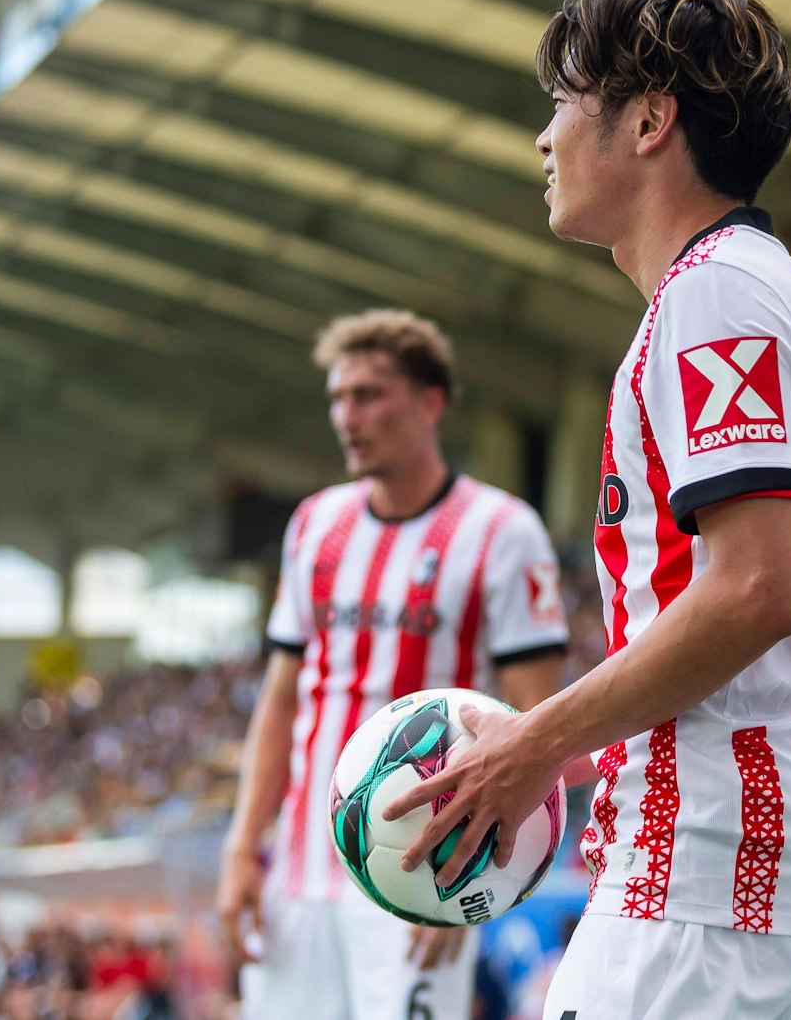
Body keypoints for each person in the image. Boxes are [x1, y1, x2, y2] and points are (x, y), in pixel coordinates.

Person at [381, 0, 791, 1019]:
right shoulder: (745, 284)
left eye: (562, 103)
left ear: (649, 121)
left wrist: (534, 743)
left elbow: (753, 592)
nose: (542, 140)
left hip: (712, 864)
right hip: (728, 857)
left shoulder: (717, 291)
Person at [217, 310, 569, 1020]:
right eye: (338, 398)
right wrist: (240, 848)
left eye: (369, 394)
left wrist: (470, 885)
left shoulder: (501, 530)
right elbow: (283, 701)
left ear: (430, 402)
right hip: (298, 875)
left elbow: (538, 724)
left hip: (418, 875)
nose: (347, 416)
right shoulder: (314, 523)